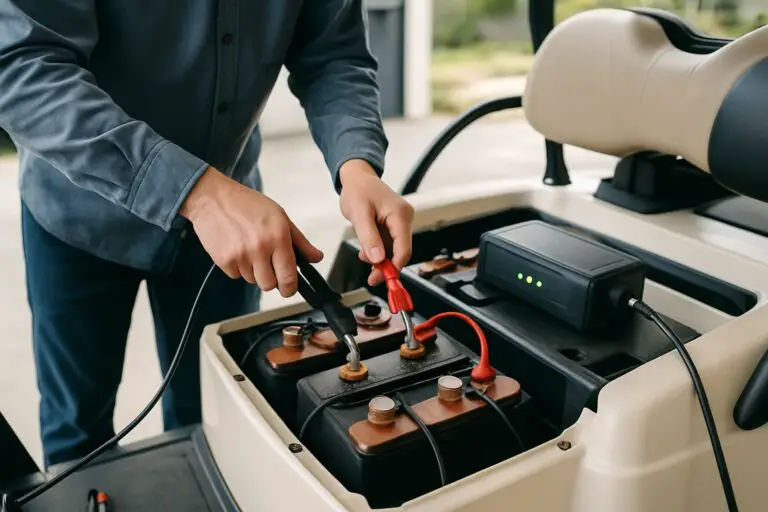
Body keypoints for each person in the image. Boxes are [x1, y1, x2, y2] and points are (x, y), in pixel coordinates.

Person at [0, 0, 414, 468]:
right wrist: (196, 192)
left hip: (230, 234)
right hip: (77, 217)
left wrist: (356, 164)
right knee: (77, 434)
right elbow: (20, 65)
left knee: (215, 423)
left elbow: (333, 55)